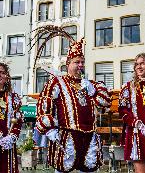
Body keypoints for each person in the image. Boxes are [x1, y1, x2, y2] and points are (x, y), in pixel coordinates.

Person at [32, 25, 112, 172]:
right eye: (77, 62)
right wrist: (49, 129)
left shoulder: (93, 84)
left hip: (89, 136)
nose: (80, 65)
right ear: (68, 64)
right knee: (63, 169)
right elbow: (44, 106)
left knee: (88, 169)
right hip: (65, 135)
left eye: (82, 62)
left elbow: (106, 104)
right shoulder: (56, 82)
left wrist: (93, 92)